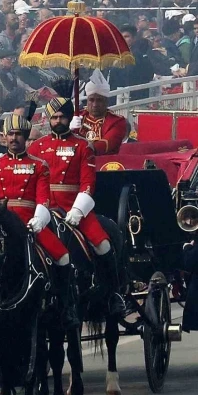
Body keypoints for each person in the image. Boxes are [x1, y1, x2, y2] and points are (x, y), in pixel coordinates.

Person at [30, 95, 125, 315]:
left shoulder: (84, 146)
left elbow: (88, 184)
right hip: (42, 209)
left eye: (62, 116)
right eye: (54, 117)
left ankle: (113, 293)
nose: (57, 121)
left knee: (103, 245)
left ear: (70, 117)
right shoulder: (36, 147)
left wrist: (78, 210)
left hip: (74, 208)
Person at [0, 113, 78, 325]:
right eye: (10, 134)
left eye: (18, 134)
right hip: (0, 227)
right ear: (4, 137)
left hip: (30, 225)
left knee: (63, 257)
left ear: (25, 138)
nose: (14, 138)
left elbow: (43, 200)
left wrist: (38, 220)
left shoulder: (39, 166)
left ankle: (64, 306)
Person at [71, 70, 127, 155]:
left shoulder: (117, 121)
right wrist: (68, 130)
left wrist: (77, 151)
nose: (95, 104)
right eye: (91, 100)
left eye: (99, 100)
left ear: (106, 102)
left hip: (104, 163)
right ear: (87, 101)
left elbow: (103, 146)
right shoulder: (78, 116)